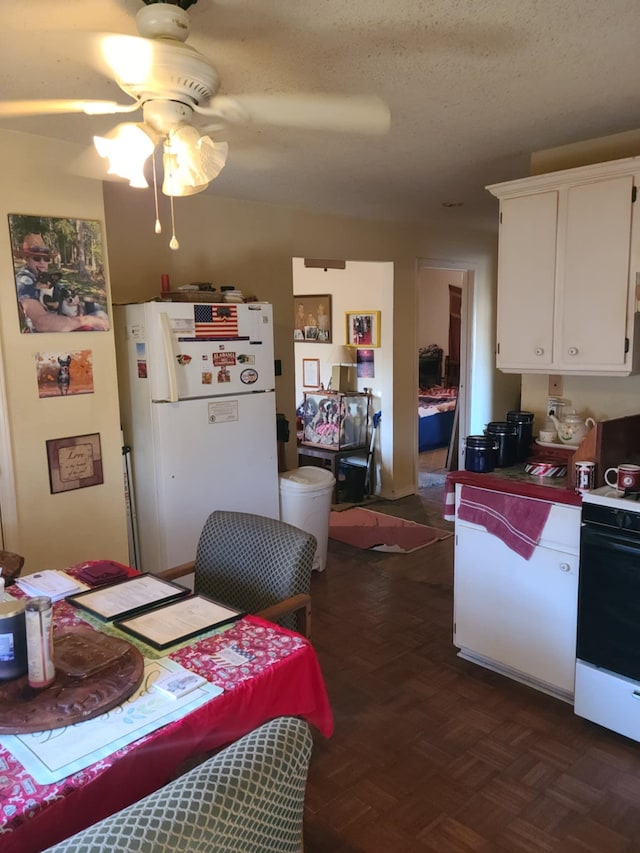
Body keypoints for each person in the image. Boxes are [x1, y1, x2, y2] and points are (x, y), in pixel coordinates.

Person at [15, 234, 109, 332]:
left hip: (64, 320)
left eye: (46, 259)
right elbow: (41, 322)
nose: (42, 262)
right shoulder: (25, 280)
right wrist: (85, 320)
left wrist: (74, 300)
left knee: (97, 309)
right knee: (101, 317)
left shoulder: (44, 276)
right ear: (26, 258)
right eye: (37, 258)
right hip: (50, 335)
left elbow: (64, 292)